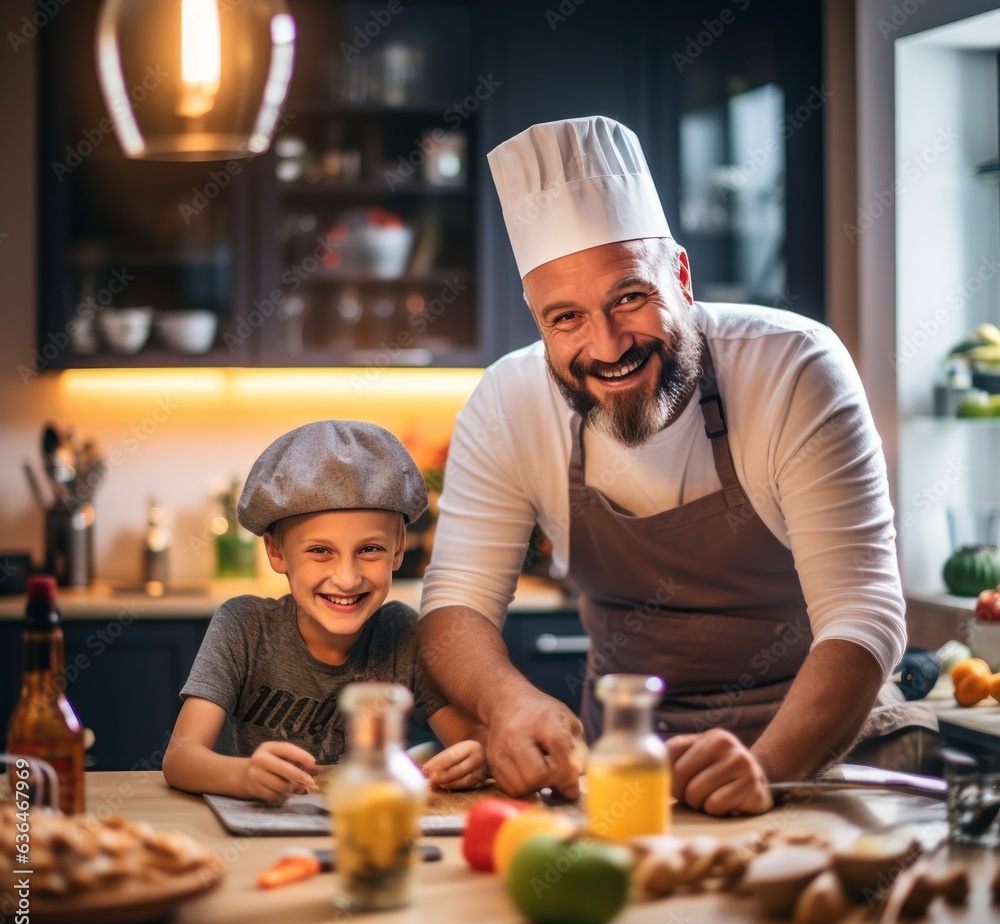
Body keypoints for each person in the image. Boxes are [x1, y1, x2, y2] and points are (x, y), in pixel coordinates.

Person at [417, 116, 937, 816]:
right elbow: (453, 606)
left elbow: (864, 613)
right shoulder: (508, 402)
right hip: (626, 771)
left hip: (825, 761)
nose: (606, 347)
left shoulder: (792, 367)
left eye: (629, 297)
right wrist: (507, 702)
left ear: (682, 277)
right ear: (537, 320)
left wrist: (767, 769)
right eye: (565, 318)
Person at [164, 420, 487, 803]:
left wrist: (476, 756)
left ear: (399, 548)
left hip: (371, 829)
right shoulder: (243, 627)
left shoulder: (404, 633)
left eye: (370, 549)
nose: (347, 579)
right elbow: (180, 758)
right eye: (320, 551)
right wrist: (244, 775)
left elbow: (471, 741)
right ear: (277, 551)